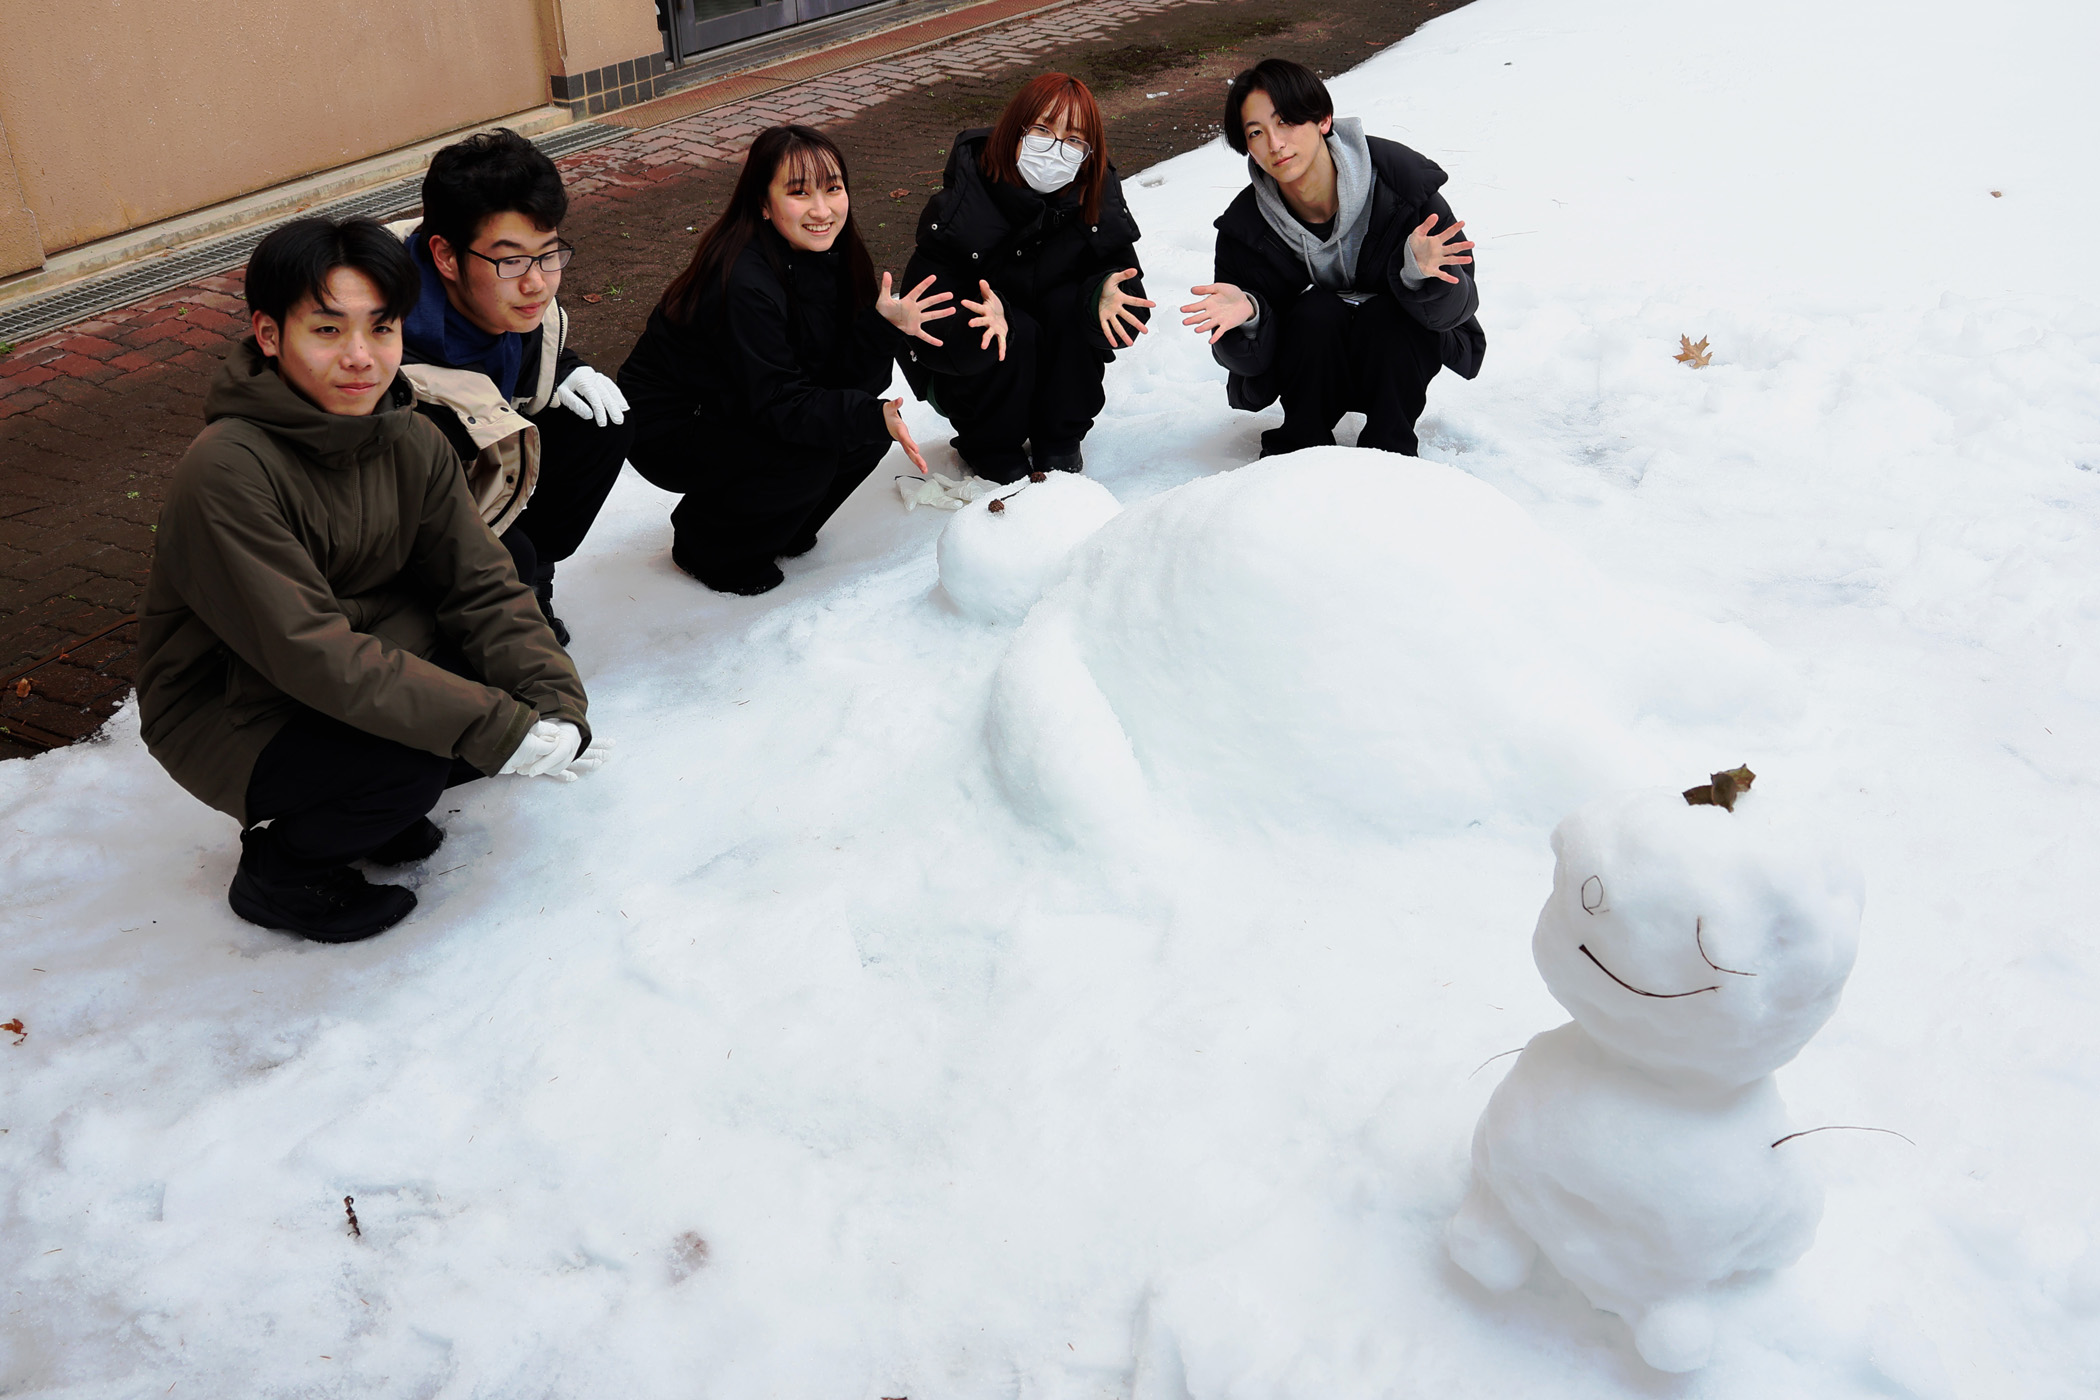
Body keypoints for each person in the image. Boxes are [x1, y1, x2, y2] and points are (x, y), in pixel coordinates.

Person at [135, 217, 604, 944]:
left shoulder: (408, 435)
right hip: (231, 703)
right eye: (327, 331)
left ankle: (369, 808)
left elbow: (481, 582)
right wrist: (495, 728)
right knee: (416, 754)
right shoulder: (228, 469)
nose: (361, 358)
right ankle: (281, 875)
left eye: (381, 329)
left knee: (496, 688)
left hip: (357, 653)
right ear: (269, 335)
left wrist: (553, 702)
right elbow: (309, 652)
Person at [618, 124, 953, 596]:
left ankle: (782, 525)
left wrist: (883, 330)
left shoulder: (837, 254)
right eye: (798, 193)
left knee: (861, 431)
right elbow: (779, 404)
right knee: (814, 446)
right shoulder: (741, 279)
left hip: (746, 398)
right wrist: (861, 412)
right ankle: (706, 544)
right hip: (675, 422)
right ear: (763, 202)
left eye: (833, 188)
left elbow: (851, 383)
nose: (822, 210)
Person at [391, 128, 634, 644]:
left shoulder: (510, 305)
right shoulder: (377, 343)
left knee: (598, 425)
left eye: (548, 254)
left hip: (481, 464)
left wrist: (567, 368)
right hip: (397, 524)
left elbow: (526, 356)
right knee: (509, 554)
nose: (537, 283)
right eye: (512, 261)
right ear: (445, 256)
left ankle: (529, 583)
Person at [1179, 58, 1485, 458]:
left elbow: (1454, 311)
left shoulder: (1406, 192)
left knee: (1388, 316)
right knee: (1315, 311)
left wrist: (1420, 275)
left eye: (1286, 121)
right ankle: (1301, 451)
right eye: (1257, 132)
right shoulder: (1246, 230)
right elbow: (1246, 360)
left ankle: (1391, 454)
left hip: (1393, 357)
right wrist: (1251, 315)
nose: (1275, 144)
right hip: (1312, 361)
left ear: (1323, 119)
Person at [899, 73, 1154, 483]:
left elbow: (1129, 304)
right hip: (975, 379)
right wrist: (980, 323)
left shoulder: (1093, 198)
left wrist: (1101, 300)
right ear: (1014, 130)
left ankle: (1059, 440)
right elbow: (926, 317)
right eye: (1041, 130)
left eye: (1073, 140)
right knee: (1018, 330)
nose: (1055, 149)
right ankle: (991, 447)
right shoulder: (967, 201)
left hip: (1059, 386)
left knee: (1065, 306)